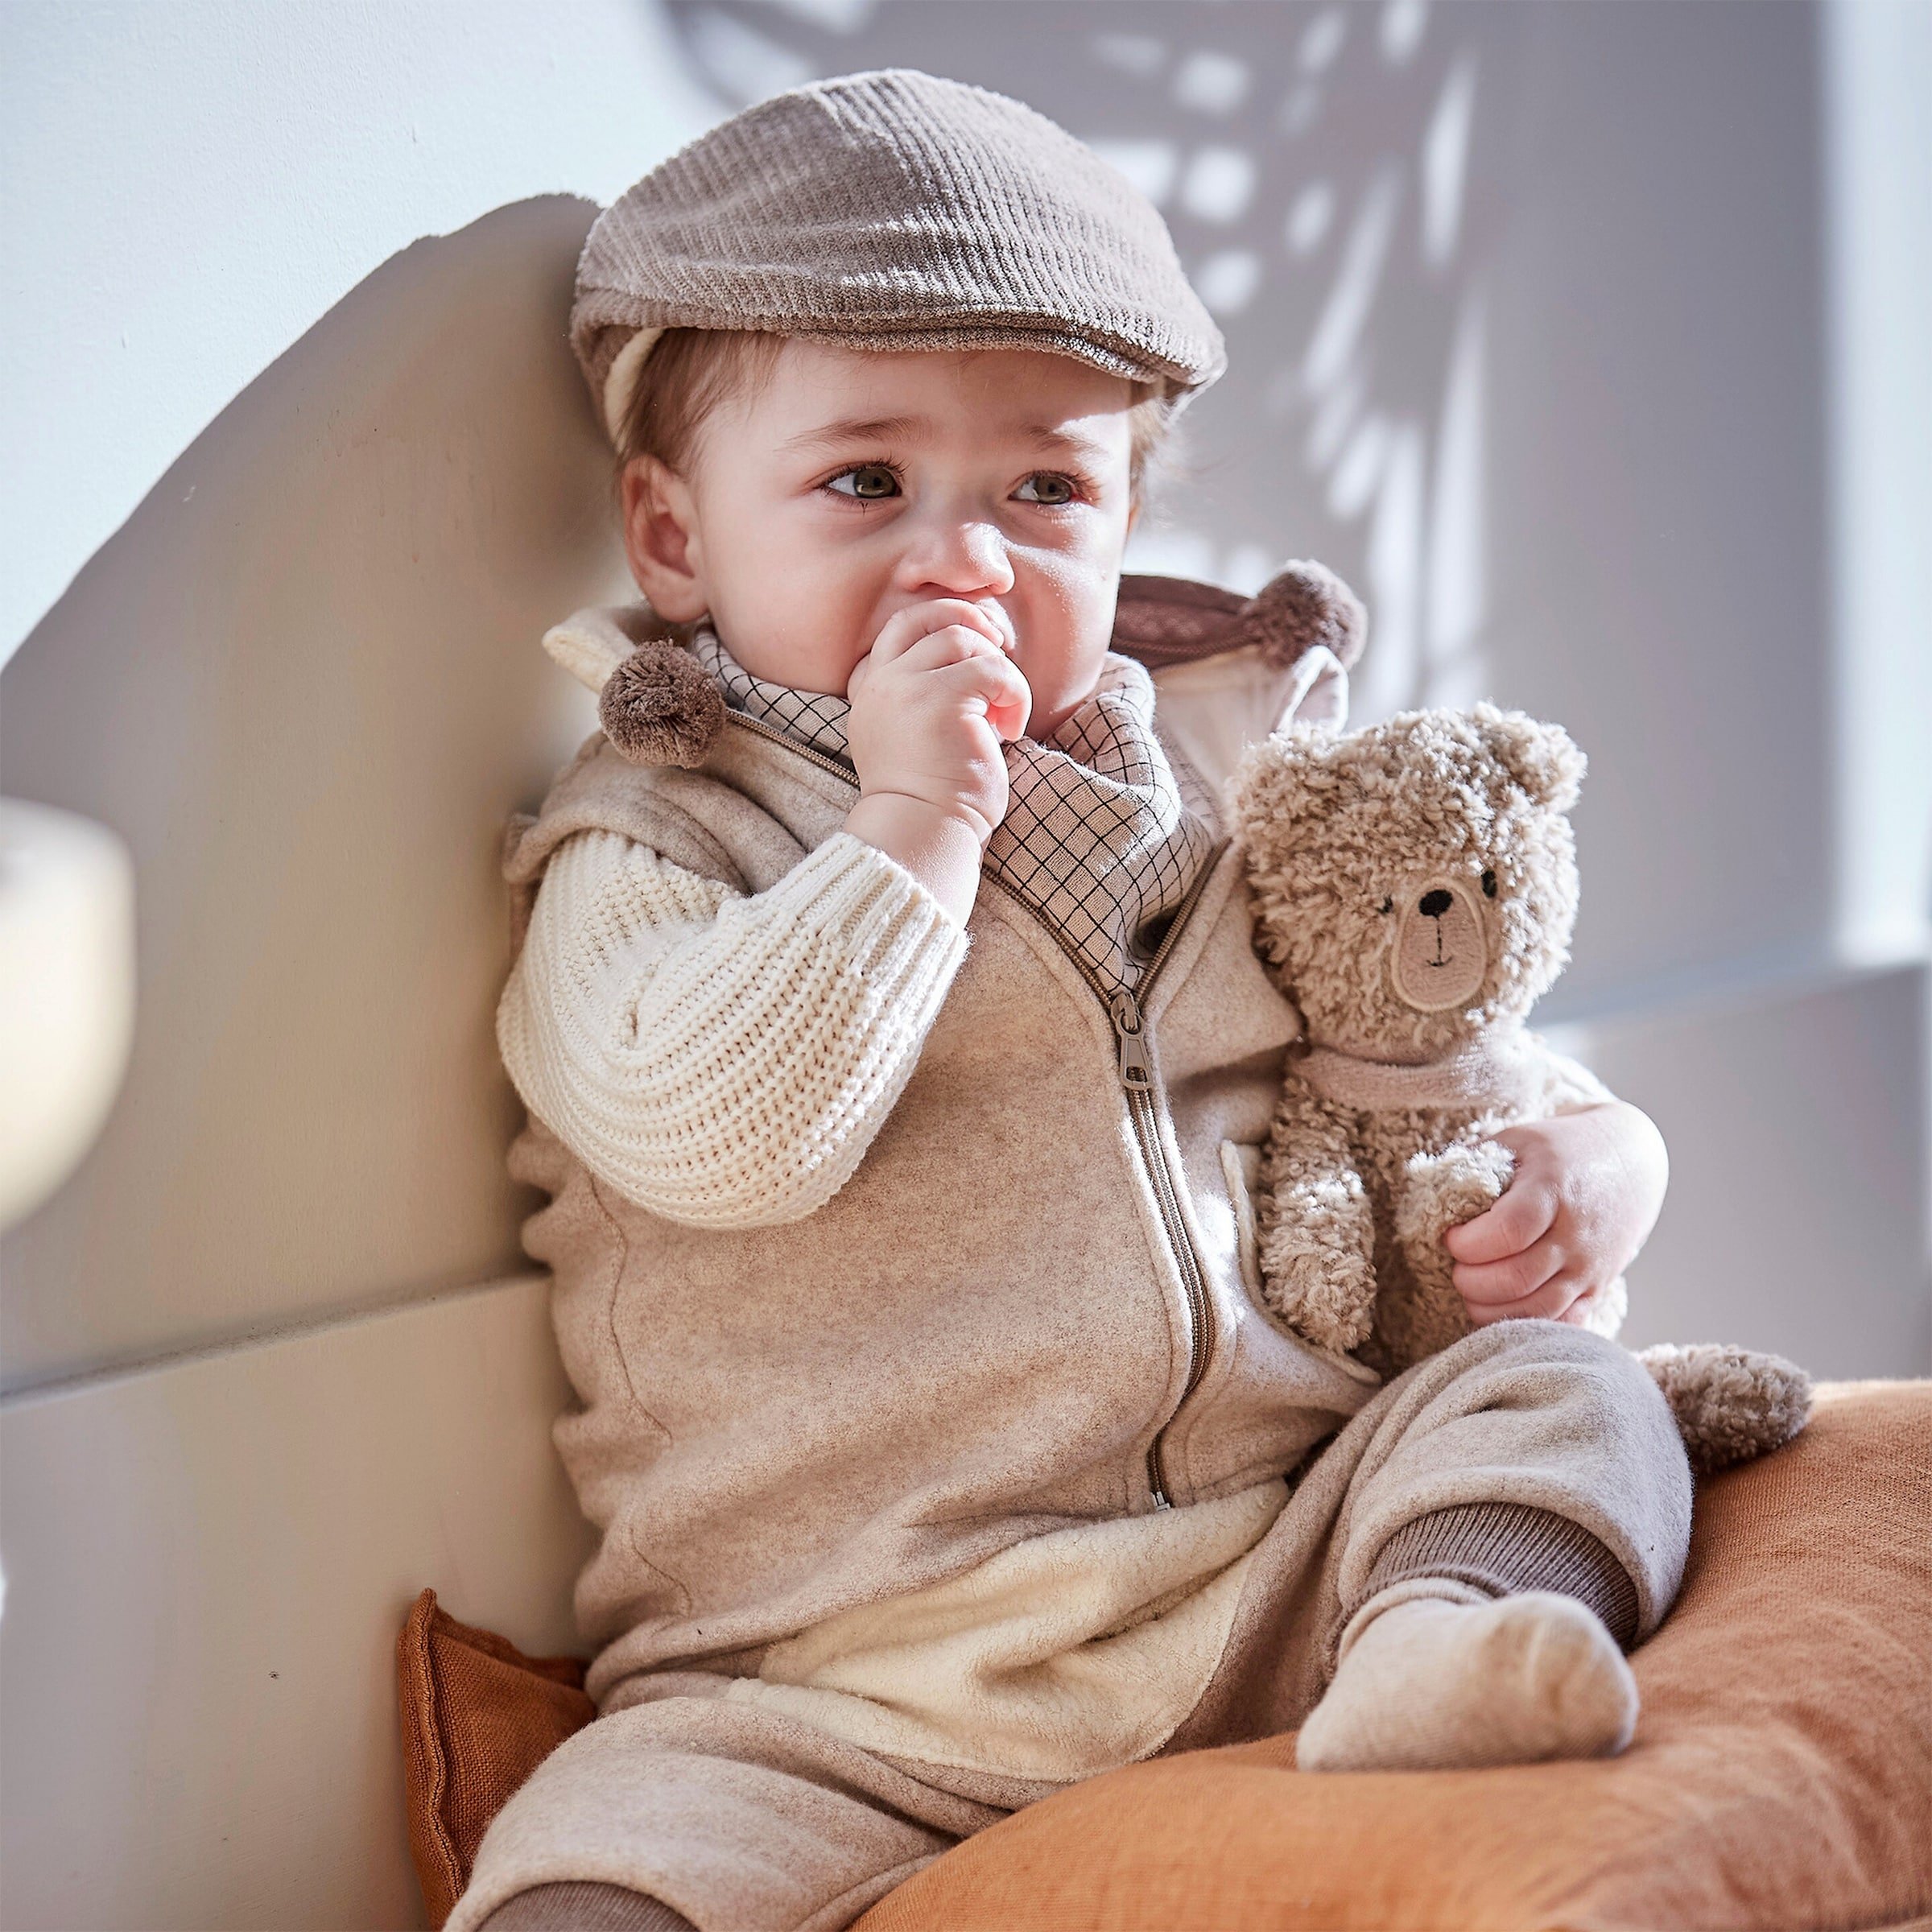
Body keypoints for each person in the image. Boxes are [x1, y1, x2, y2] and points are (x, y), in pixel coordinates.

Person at [452, 69, 1690, 1932]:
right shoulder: (649, 840)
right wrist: (911, 829)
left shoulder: (1208, 790)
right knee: (599, 1849)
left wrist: (1602, 1159)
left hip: (1274, 1568)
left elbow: (1419, 1048)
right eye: (866, 482)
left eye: (1045, 490)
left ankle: (1445, 1642)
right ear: (676, 535)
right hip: (829, 1677)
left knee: (1570, 1395)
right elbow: (718, 1139)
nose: (965, 556)